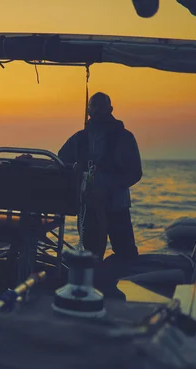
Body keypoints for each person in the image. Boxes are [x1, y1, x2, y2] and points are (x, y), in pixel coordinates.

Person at [58, 92, 142, 262]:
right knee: (91, 257)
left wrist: (107, 190)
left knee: (126, 255)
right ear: (88, 111)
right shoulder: (79, 138)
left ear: (110, 109)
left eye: (100, 106)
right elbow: (61, 162)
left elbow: (135, 172)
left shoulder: (125, 138)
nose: (96, 110)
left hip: (117, 206)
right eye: (92, 106)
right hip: (89, 207)